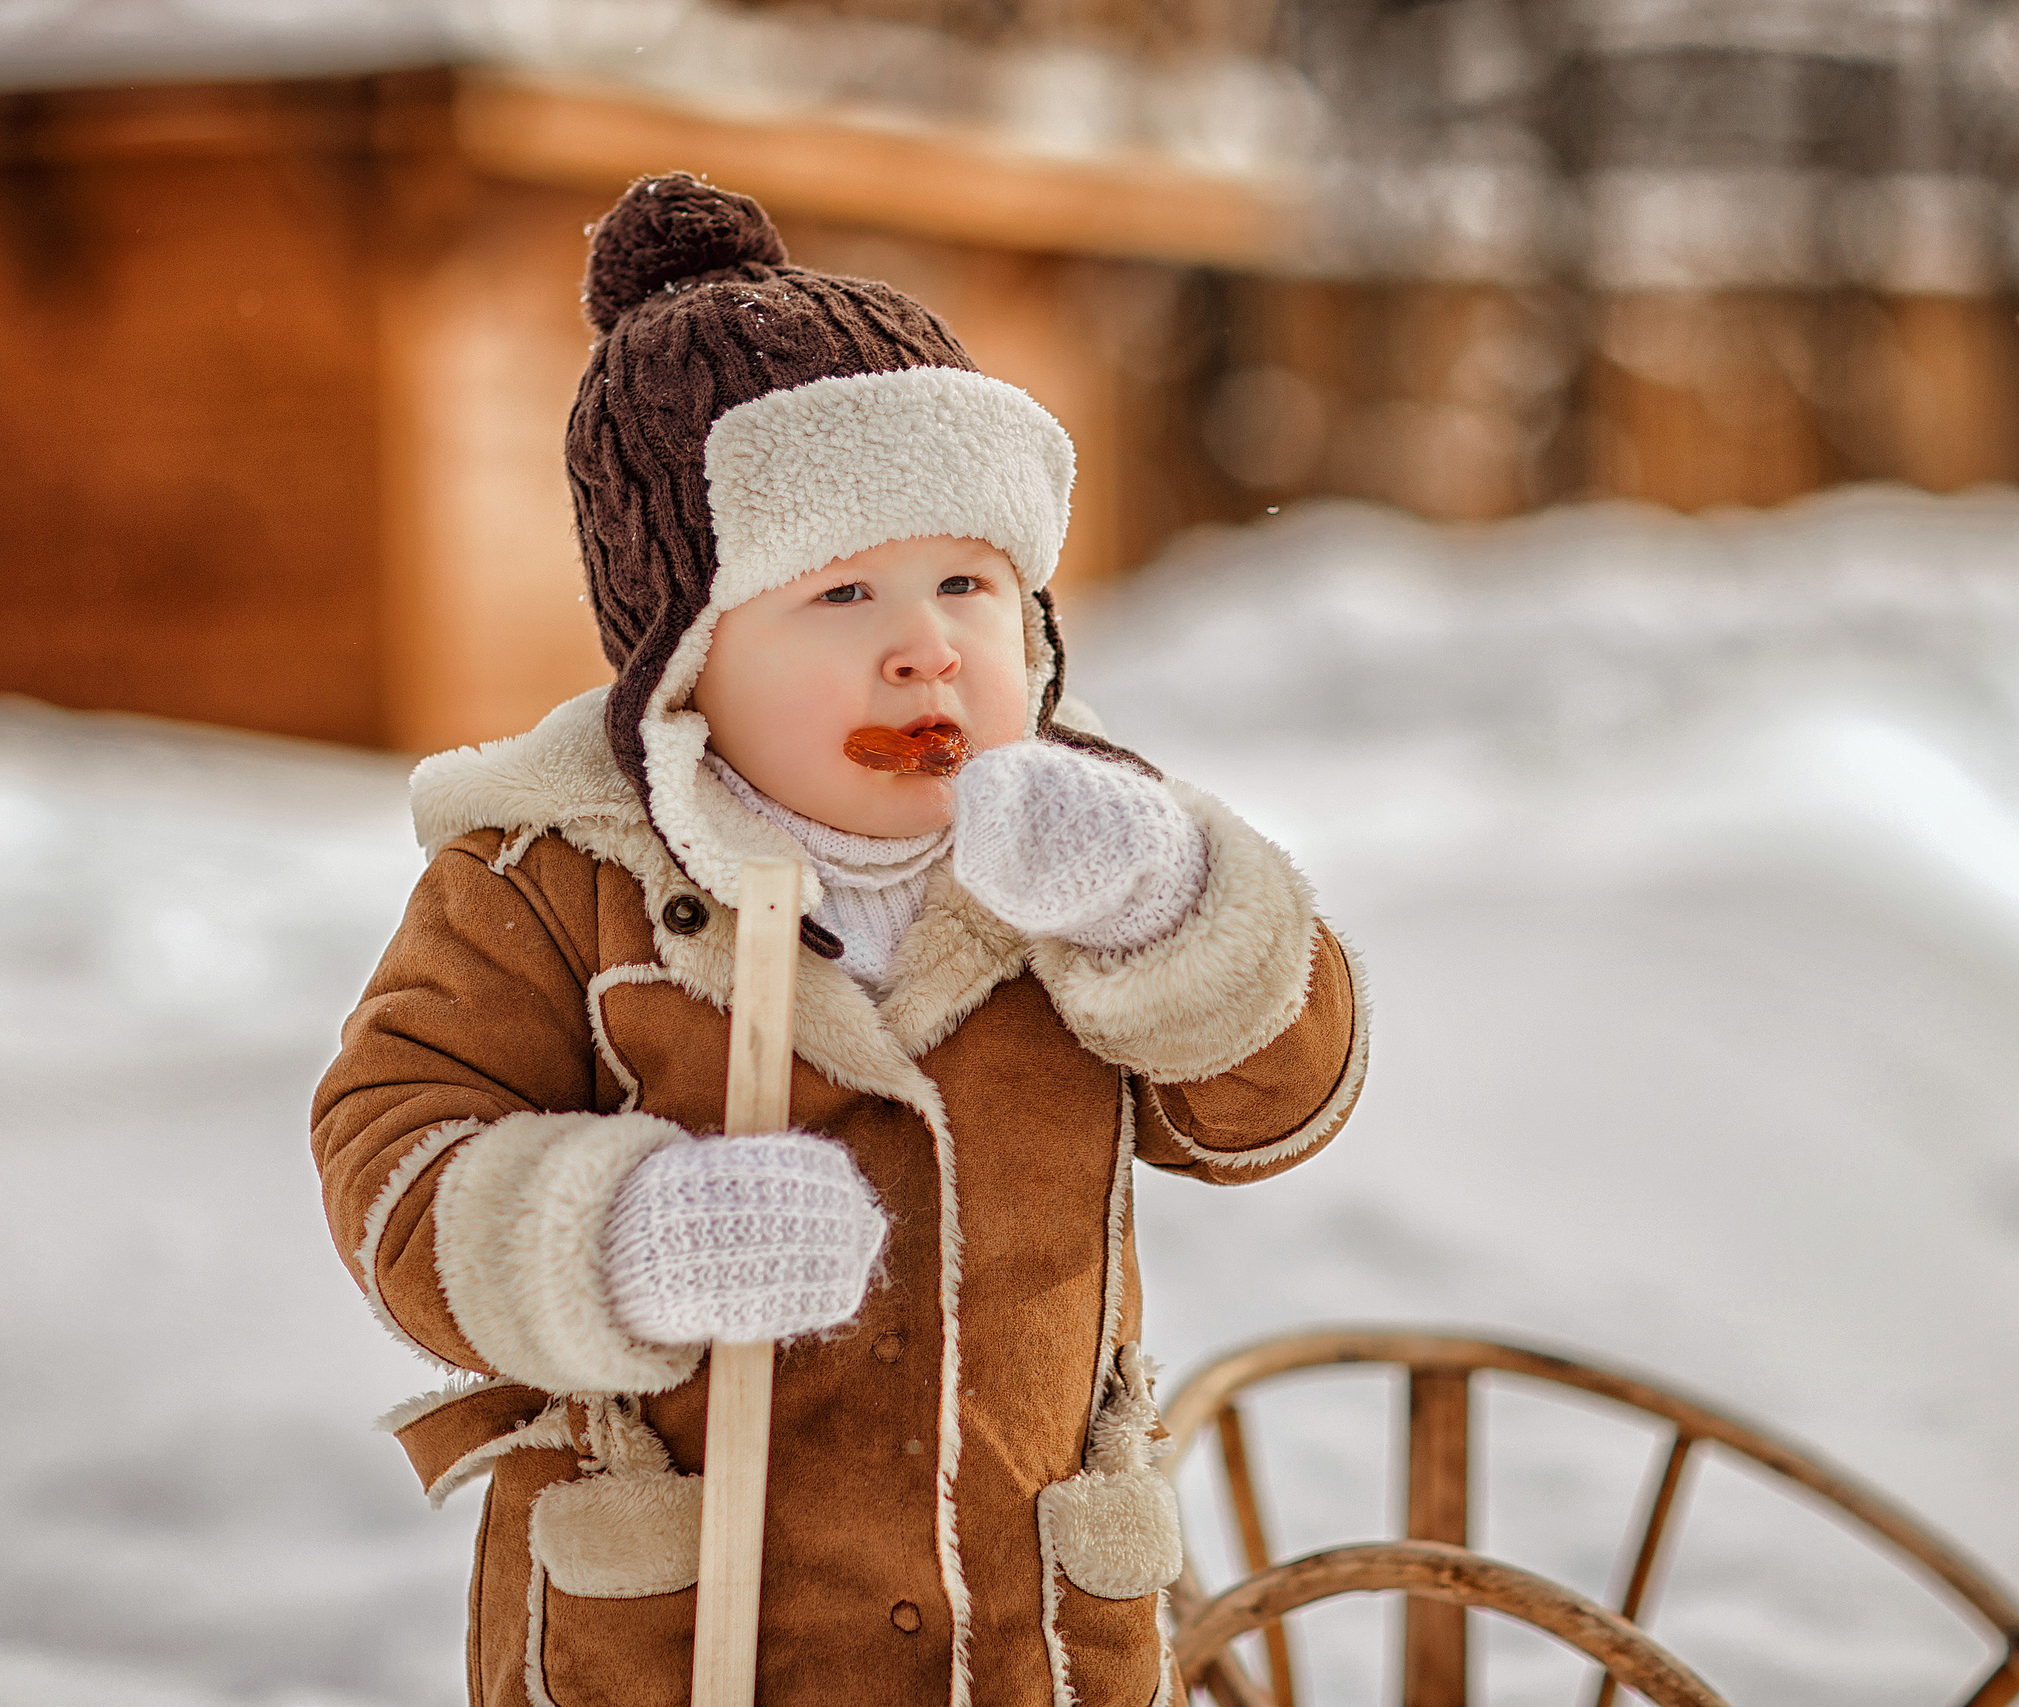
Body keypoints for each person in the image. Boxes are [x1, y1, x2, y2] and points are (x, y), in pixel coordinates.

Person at [311, 174, 1367, 1707]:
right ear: (688, 653)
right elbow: (390, 1148)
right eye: (843, 592)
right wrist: (616, 1241)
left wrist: (1176, 914)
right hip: (696, 1633)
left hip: (1026, 1628)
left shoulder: (1091, 848)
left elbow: (1272, 1113)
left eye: (968, 584)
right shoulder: (552, 874)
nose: (924, 641)